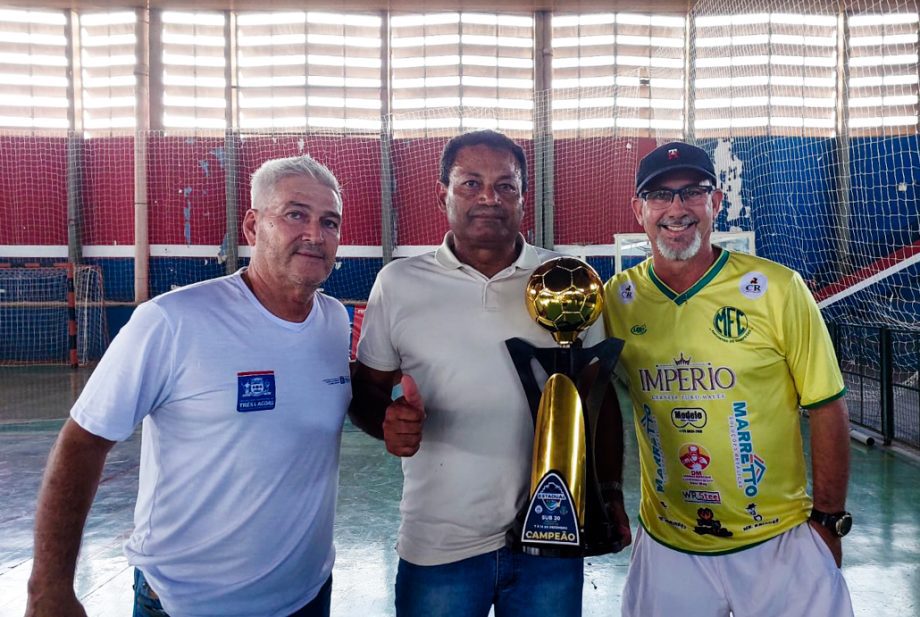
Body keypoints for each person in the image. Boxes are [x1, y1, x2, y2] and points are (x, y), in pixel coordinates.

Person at [25, 155, 352, 617]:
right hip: (186, 604)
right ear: (253, 225)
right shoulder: (174, 320)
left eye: (330, 222)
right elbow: (82, 442)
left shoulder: (335, 322)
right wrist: (48, 589)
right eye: (295, 214)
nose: (315, 235)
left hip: (307, 595)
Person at [349, 129, 630, 617]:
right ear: (443, 195)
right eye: (471, 184)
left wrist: (607, 495)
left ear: (523, 197)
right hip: (439, 542)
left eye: (506, 185)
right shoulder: (398, 283)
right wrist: (385, 423)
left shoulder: (566, 280)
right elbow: (366, 390)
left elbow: (597, 399)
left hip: (552, 535)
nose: (489, 199)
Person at [603, 141, 854, 616]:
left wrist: (828, 520)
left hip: (779, 539)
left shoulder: (778, 289)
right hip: (669, 544)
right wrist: (609, 493)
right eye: (659, 195)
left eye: (692, 192)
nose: (677, 209)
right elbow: (597, 403)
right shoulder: (617, 299)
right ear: (639, 210)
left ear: (716, 202)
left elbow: (826, 405)